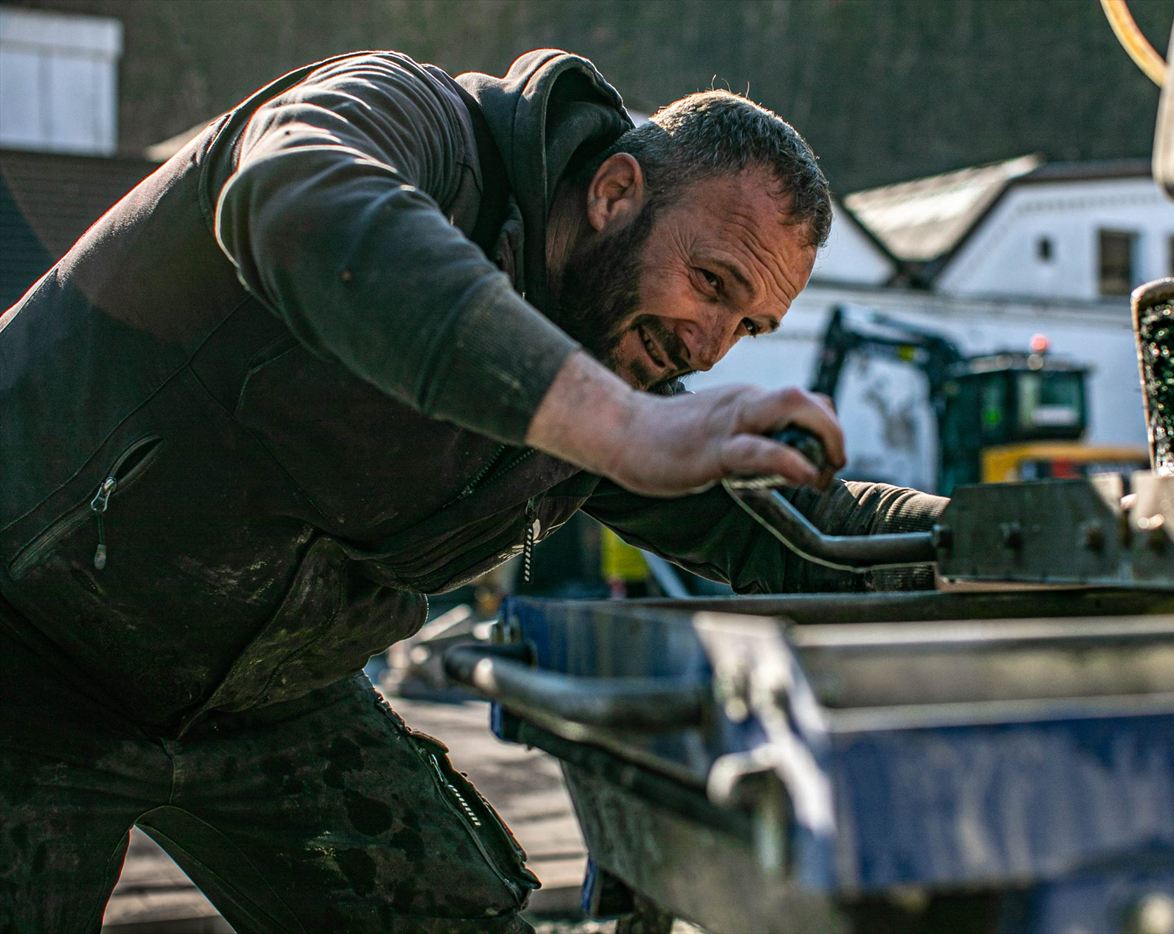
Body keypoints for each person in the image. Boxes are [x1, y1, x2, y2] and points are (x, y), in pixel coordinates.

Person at [0, 50, 945, 929]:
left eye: (749, 327)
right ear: (616, 192)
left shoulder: (618, 357)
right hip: (29, 645)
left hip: (267, 694)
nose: (707, 345)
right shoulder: (406, 120)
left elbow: (793, 529)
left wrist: (1012, 537)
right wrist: (622, 426)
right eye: (710, 282)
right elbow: (297, 205)